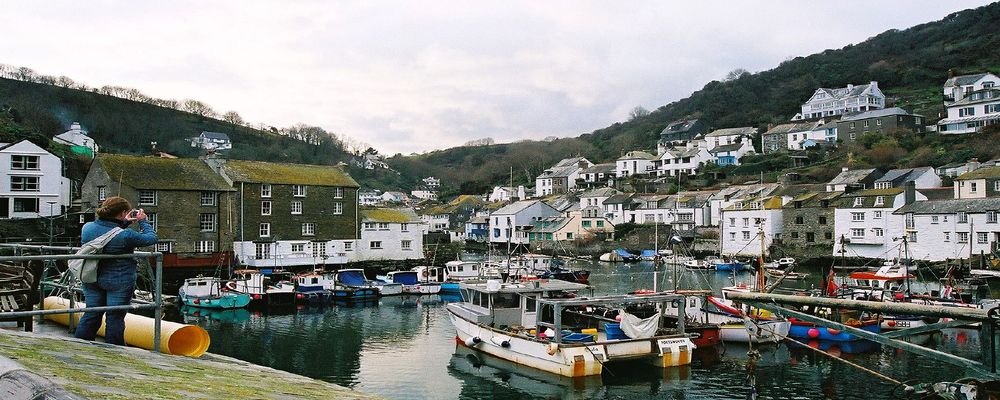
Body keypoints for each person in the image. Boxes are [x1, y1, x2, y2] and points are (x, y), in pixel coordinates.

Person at [74, 196, 157, 345]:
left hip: (91, 277)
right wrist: (143, 220)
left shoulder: (87, 227)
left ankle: (81, 345)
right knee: (115, 317)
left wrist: (123, 223)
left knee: (92, 313)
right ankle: (114, 350)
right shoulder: (126, 235)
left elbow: (107, 235)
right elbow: (150, 238)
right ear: (123, 212)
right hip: (119, 280)